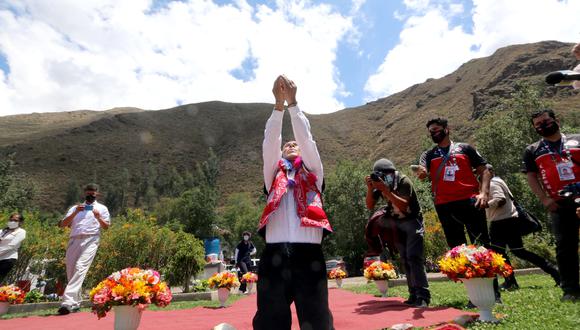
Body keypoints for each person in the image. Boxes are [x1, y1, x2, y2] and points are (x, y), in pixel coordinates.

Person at [253, 75, 334, 330]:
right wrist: (278, 106)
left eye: (295, 144)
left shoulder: (314, 173)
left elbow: (308, 143)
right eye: (287, 144)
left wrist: (293, 104)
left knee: (317, 319)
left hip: (308, 256)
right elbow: (269, 145)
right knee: (270, 320)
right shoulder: (273, 174)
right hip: (274, 255)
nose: (291, 144)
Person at [414, 117, 501, 302]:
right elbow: (422, 171)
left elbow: (484, 169)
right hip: (444, 206)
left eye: (437, 129)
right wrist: (421, 173)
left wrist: (484, 193)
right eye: (431, 131)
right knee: (458, 250)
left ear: (447, 129)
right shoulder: (428, 154)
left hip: (470, 201)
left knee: (482, 246)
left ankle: (494, 293)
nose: (433, 133)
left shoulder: (465, 148)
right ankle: (473, 295)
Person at [522, 109, 579, 302]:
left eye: (545, 121)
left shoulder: (577, 138)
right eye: (538, 125)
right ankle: (571, 289)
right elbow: (531, 176)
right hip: (559, 203)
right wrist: (545, 200)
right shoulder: (532, 150)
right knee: (565, 247)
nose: (542, 126)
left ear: (556, 119)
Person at [365, 158, 430, 307]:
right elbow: (369, 205)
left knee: (414, 257)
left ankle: (423, 295)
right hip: (398, 224)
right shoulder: (379, 184)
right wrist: (371, 188)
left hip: (413, 220)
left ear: (391, 173)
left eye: (384, 175)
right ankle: (413, 293)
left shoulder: (403, 181)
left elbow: (402, 205)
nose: (382, 178)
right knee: (405, 258)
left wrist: (385, 191)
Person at [484, 165, 560, 290]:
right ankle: (554, 271)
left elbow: (500, 199)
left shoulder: (492, 183)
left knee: (499, 253)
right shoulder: (498, 180)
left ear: (491, 172)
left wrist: (484, 204)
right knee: (517, 251)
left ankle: (511, 281)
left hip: (502, 222)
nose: (479, 175)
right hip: (509, 220)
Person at [58, 183, 110, 314]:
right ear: (84, 193)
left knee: (80, 267)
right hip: (74, 239)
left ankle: (67, 302)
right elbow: (63, 224)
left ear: (97, 194)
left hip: (91, 239)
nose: (90, 194)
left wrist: (98, 217)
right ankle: (75, 303)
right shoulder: (75, 208)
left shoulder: (102, 208)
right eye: (88, 192)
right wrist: (75, 212)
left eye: (93, 193)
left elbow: (106, 226)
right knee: (71, 271)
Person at [0, 213, 26, 284]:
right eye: (11, 219)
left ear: (20, 222)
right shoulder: (2, 231)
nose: (12, 221)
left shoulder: (21, 232)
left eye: (15, 220)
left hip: (7, 259)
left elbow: (11, 246)